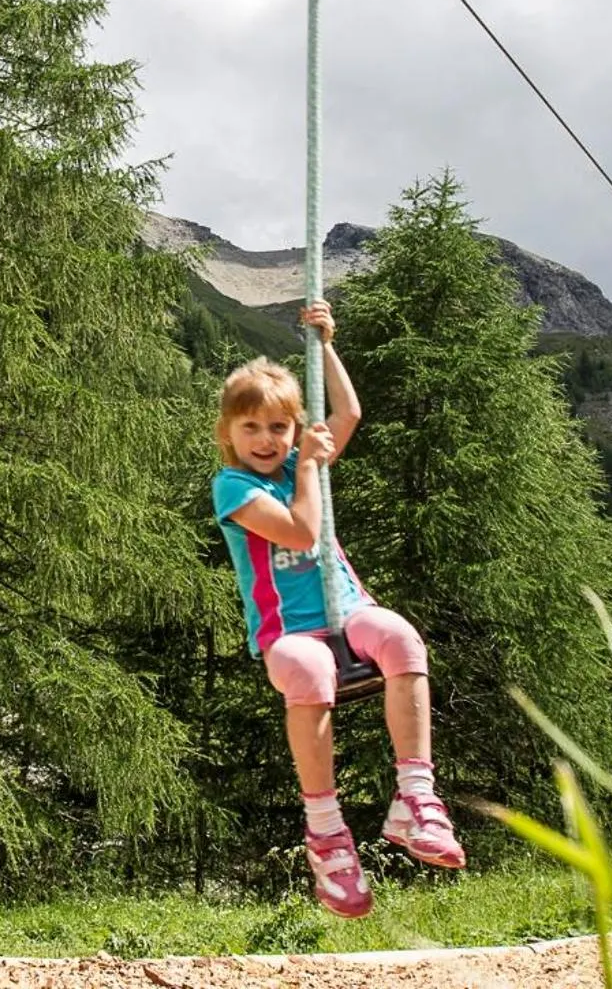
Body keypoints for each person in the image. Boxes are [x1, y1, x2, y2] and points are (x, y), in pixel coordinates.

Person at [210, 301, 464, 919]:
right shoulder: (235, 487)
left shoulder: (303, 461)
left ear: (294, 428)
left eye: (279, 428)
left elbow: (348, 412)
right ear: (229, 435)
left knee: (403, 640)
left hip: (348, 611)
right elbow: (298, 532)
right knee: (311, 675)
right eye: (251, 429)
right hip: (289, 632)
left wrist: (322, 343)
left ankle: (415, 796)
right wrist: (310, 468)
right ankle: (326, 833)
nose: (266, 440)